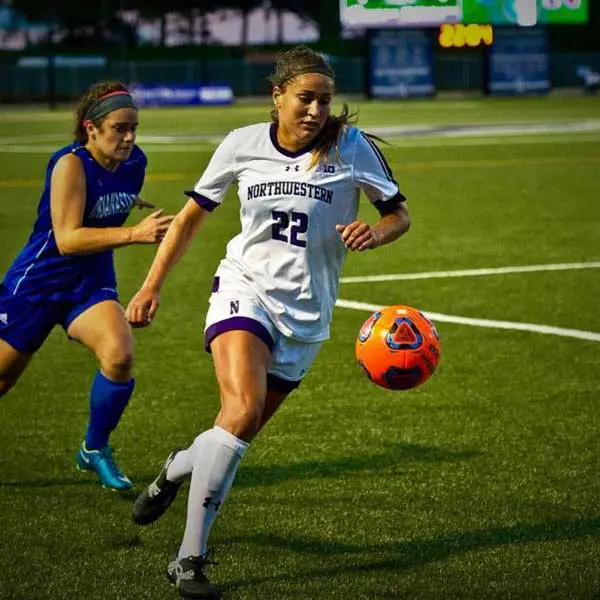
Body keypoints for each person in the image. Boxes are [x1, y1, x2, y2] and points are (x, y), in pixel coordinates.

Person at [126, 45, 410, 599]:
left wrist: (375, 233)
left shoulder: (351, 148)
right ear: (277, 95)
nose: (315, 110)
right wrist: (151, 284)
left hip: (307, 314)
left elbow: (398, 214)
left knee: (234, 432)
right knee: (241, 410)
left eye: (324, 101)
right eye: (305, 98)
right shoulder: (241, 144)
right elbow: (188, 222)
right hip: (243, 290)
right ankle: (189, 559)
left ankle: (179, 466)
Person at [0, 81, 174, 491]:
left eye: (134, 127)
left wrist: (129, 201)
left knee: (119, 355)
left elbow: (107, 195)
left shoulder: (135, 163)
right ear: (90, 128)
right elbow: (67, 239)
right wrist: (134, 234)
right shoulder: (69, 164)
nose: (129, 137)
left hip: (90, 282)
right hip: (37, 284)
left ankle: (94, 449)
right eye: (119, 128)